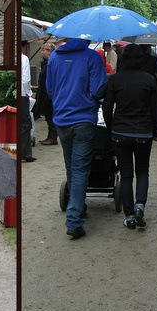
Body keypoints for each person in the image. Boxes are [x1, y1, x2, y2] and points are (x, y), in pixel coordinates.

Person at [44, 35, 109, 239]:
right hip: (83, 119)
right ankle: (74, 220)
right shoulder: (92, 57)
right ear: (87, 40)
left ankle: (78, 207)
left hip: (61, 119)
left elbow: (50, 89)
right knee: (80, 168)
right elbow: (98, 89)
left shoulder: (54, 56)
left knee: (71, 165)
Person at [102, 42, 157, 229]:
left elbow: (106, 108)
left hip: (120, 132)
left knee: (126, 174)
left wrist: (112, 127)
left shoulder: (115, 80)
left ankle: (128, 215)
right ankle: (139, 207)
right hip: (143, 131)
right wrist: (156, 131)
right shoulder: (148, 80)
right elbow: (155, 109)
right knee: (143, 171)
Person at [19, 49, 35, 161]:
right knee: (25, 124)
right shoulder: (24, 59)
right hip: (22, 94)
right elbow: (25, 78)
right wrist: (27, 92)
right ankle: (25, 153)